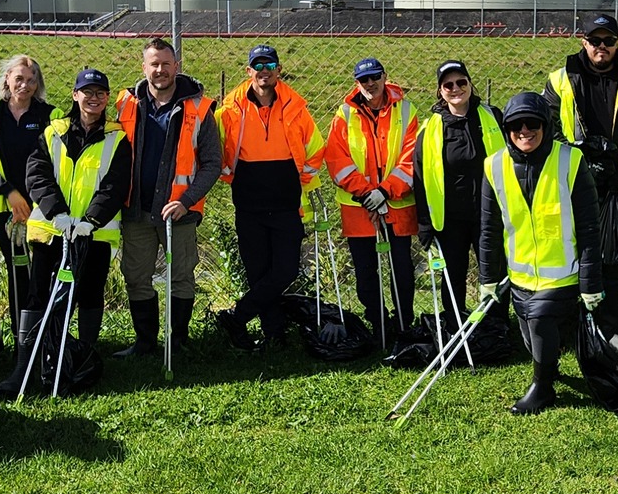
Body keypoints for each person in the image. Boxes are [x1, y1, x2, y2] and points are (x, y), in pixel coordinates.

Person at [0, 67, 129, 398]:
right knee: (38, 295)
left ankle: (80, 361)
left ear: (106, 98)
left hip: (93, 234)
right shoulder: (53, 132)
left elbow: (115, 186)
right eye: (87, 92)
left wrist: (91, 221)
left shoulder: (117, 137)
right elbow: (37, 175)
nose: (93, 99)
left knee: (90, 294)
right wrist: (58, 214)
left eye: (100, 93)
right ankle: (24, 367)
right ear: (75, 95)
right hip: (50, 231)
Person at [543, 13, 618, 348]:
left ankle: (614, 333)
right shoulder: (560, 81)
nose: (602, 47)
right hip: (574, 182)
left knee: (615, 261)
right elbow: (547, 128)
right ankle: (574, 330)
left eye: (608, 40)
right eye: (594, 40)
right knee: (571, 255)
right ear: (583, 42)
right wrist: (577, 157)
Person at [477, 92, 602, 415]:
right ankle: (549, 365)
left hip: (562, 274)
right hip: (519, 276)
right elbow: (489, 229)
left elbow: (589, 228)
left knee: (540, 322)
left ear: (545, 125)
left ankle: (542, 388)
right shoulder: (494, 166)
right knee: (532, 338)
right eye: (516, 125)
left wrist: (590, 283)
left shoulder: (570, 161)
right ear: (506, 130)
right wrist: (488, 278)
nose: (524, 131)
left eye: (532, 124)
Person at [113, 38, 221, 359]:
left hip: (179, 213)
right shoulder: (125, 104)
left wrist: (186, 201)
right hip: (136, 211)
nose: (160, 70)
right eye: (153, 64)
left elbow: (212, 163)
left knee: (181, 277)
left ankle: (178, 342)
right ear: (143, 67)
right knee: (136, 276)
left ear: (177, 66)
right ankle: (145, 343)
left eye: (165, 63)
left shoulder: (199, 108)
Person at [214, 43, 324, 352]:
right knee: (258, 272)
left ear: (278, 69)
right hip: (248, 204)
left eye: (269, 65)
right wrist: (228, 174)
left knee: (286, 270)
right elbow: (215, 152)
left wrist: (296, 179)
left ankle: (237, 317)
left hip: (287, 204)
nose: (264, 71)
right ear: (248, 71)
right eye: (257, 66)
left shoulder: (296, 109)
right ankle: (275, 335)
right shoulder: (229, 112)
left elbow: (316, 150)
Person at [322, 56, 420, 349]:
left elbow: (411, 158)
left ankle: (404, 325)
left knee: (401, 269)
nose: (370, 84)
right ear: (357, 83)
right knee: (366, 273)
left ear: (384, 76)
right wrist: (367, 194)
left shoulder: (406, 110)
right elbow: (337, 160)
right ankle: (378, 326)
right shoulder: (344, 115)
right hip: (359, 208)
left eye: (375, 77)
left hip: (397, 205)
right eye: (364, 80)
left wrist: (386, 192)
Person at [412, 59, 505, 342]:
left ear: (470, 84)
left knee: (494, 273)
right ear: (440, 91)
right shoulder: (430, 129)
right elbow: (420, 177)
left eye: (461, 82)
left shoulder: (493, 117)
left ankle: (497, 329)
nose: (456, 89)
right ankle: (455, 328)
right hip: (450, 218)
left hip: (490, 215)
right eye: (448, 85)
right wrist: (425, 224)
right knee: (453, 275)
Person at [0, 54, 53, 315]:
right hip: (5, 207)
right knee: (17, 268)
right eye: (19, 78)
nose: (25, 85)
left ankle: (46, 333)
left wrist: (36, 200)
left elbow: (54, 164)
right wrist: (9, 193)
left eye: (32, 80)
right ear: (7, 78)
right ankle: (22, 337)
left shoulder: (50, 115)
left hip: (41, 208)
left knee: (44, 270)